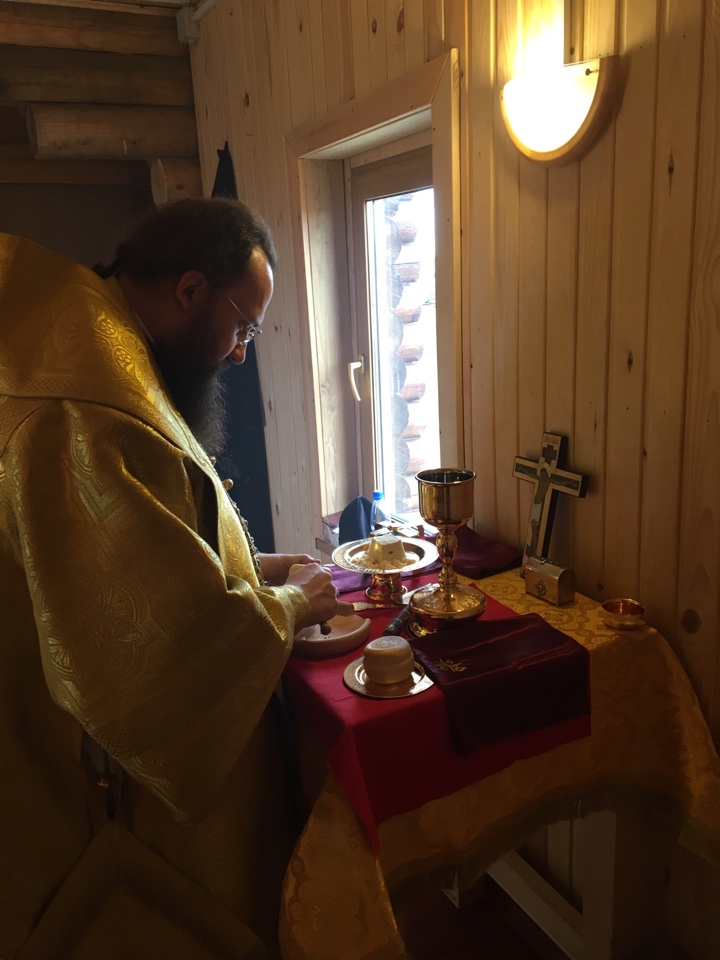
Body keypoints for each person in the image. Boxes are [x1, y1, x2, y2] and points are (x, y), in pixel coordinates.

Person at [0, 198, 339, 958]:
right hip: (88, 788)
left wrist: (252, 568)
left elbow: (150, 546)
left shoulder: (92, 338)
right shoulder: (86, 411)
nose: (242, 353)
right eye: (244, 326)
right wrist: (292, 604)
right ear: (189, 290)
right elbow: (156, 652)